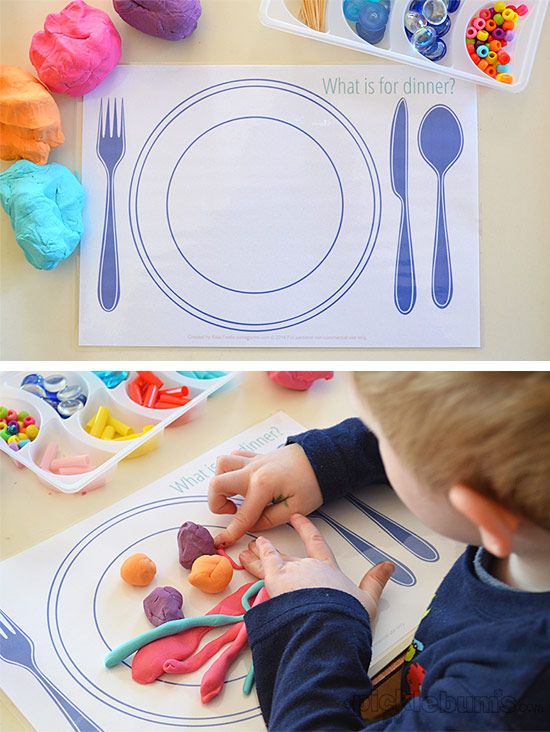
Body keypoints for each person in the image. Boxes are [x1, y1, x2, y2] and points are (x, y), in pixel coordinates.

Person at [208, 372, 550, 730]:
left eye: (383, 439)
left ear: (478, 514)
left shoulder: (501, 698)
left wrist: (320, 615)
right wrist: (324, 461)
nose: (375, 440)